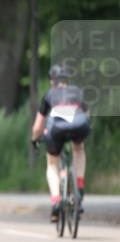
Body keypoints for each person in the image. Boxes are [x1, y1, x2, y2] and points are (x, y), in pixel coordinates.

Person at [31, 65, 92, 223]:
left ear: (52, 81)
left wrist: (34, 140)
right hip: (79, 124)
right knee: (78, 149)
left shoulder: (49, 94)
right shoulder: (77, 91)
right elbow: (87, 114)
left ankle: (56, 200)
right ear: (67, 80)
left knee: (52, 164)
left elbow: (37, 127)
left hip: (56, 129)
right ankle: (79, 187)